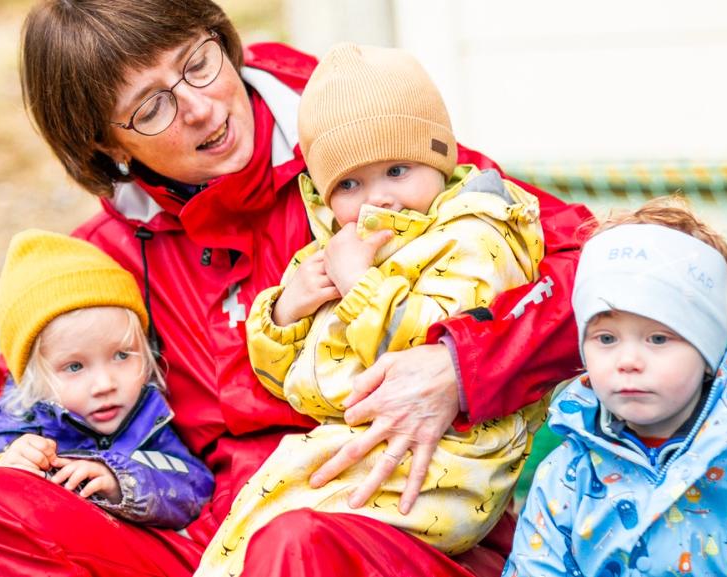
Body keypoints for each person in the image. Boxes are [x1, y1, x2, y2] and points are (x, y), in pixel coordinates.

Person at [0, 1, 594, 575]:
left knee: (290, 545)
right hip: (197, 532)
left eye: (198, 63)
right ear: (105, 148)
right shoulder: (101, 259)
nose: (203, 109)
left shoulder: (363, 157)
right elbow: (18, 417)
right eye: (152, 108)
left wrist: (463, 362)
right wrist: (13, 459)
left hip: (381, 522)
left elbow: (598, 260)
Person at [196, 43, 549, 577]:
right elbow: (286, 379)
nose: (379, 199)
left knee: (277, 536)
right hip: (361, 443)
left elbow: (421, 353)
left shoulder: (475, 235)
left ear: (440, 159)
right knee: (249, 534)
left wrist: (358, 284)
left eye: (398, 169)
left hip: (445, 461)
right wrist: (288, 311)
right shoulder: (339, 248)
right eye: (350, 184)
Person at [503, 197, 727, 576]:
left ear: (708, 347)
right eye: (607, 339)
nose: (628, 361)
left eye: (658, 339)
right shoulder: (569, 473)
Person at [0, 229, 213, 529]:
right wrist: (4, 467)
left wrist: (120, 481)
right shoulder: (17, 425)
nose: (104, 385)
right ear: (32, 379)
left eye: (122, 356)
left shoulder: (146, 419)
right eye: (74, 367)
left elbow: (196, 488)